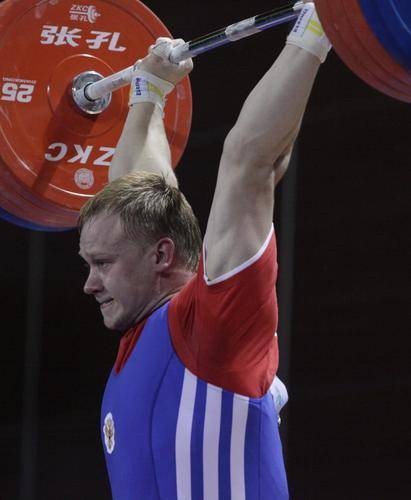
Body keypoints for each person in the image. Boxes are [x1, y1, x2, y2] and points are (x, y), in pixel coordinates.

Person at [78, 2, 331, 498]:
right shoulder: (143, 340)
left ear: (161, 256)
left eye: (102, 264)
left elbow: (250, 160)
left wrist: (319, 30)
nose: (89, 283)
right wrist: (147, 94)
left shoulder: (216, 326)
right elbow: (138, 189)